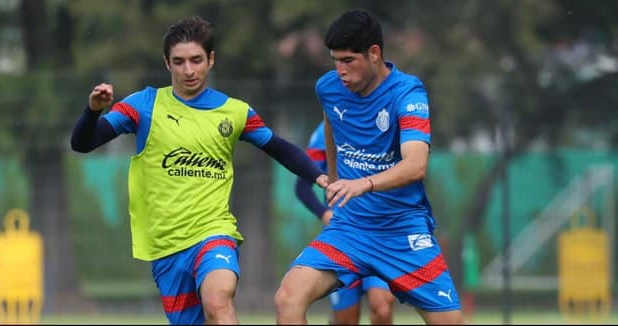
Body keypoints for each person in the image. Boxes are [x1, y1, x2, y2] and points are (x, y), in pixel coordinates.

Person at [70, 16, 328, 325]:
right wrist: (93, 111)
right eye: (179, 62)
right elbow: (83, 143)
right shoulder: (144, 105)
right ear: (167, 63)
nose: (188, 70)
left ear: (211, 60)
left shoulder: (235, 112)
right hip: (165, 245)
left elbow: (278, 147)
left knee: (218, 303)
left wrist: (319, 176)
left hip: (214, 232)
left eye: (196, 60)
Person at [275, 8, 464, 325]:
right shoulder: (329, 87)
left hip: (402, 232)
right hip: (350, 230)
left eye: (348, 60)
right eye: (335, 60)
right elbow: (332, 122)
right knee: (288, 299)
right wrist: (335, 178)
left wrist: (362, 183)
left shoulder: (408, 94)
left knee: (449, 323)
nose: (340, 71)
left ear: (374, 53)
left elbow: (416, 165)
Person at [295, 121, 395, 325]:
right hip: (343, 239)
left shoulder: (384, 121)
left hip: (379, 237)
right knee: (347, 320)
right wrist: (324, 214)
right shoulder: (325, 131)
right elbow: (301, 186)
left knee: (382, 307)